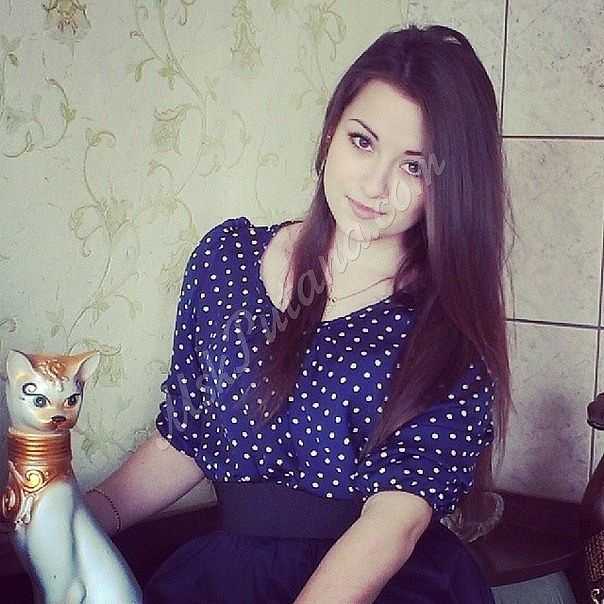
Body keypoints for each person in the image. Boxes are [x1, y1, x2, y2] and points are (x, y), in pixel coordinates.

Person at [83, 23, 513, 603]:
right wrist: (77, 520)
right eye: (363, 141)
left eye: (414, 166)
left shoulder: (450, 323)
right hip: (225, 575)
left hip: (379, 581)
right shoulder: (228, 260)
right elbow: (187, 437)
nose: (377, 184)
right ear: (332, 131)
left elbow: (394, 523)